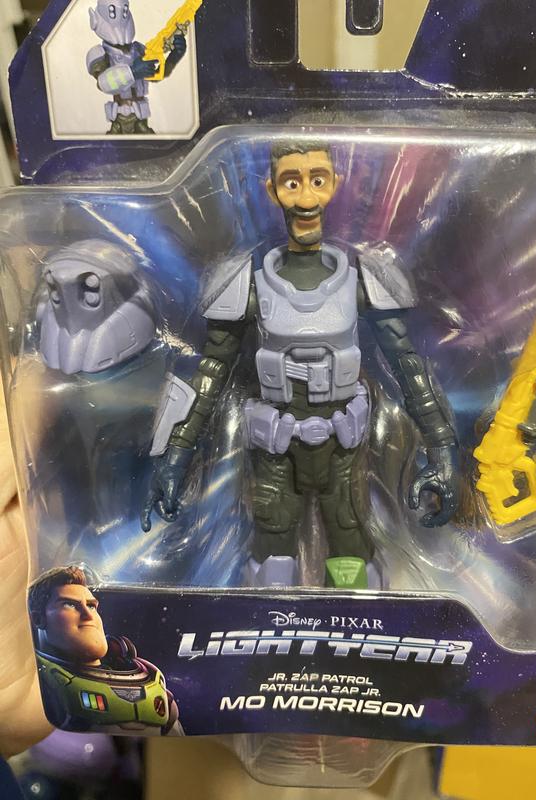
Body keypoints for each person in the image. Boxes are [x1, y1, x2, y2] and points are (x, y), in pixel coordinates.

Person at [142, 141, 459, 589]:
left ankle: (351, 622)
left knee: (351, 552)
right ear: (272, 190)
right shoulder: (244, 284)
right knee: (272, 554)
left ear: (335, 185)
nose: (306, 198)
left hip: (343, 450)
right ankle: (272, 623)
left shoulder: (366, 279)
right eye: (292, 183)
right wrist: (176, 454)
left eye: (317, 180)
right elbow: (210, 373)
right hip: (275, 450)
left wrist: (442, 447)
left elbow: (408, 369)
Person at [28, 566, 182, 736]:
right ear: (38, 619)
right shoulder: (40, 688)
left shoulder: (153, 684)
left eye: (91, 606)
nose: (88, 615)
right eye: (69, 604)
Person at [87, 0, 188, 135]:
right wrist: (132, 72)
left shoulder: (138, 49)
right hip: (119, 120)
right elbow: (103, 83)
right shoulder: (99, 53)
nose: (119, 18)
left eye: (123, 11)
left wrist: (174, 57)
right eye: (112, 12)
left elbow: (156, 75)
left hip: (141, 119)